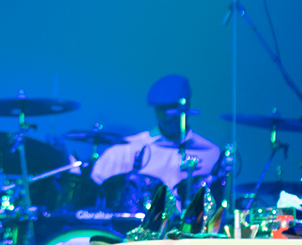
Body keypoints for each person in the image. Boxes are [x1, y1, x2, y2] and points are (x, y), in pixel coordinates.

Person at [89, 74, 220, 191]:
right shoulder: (127, 149)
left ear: (187, 106)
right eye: (163, 109)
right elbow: (95, 187)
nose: (169, 116)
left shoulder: (211, 153)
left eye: (173, 108)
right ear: (155, 109)